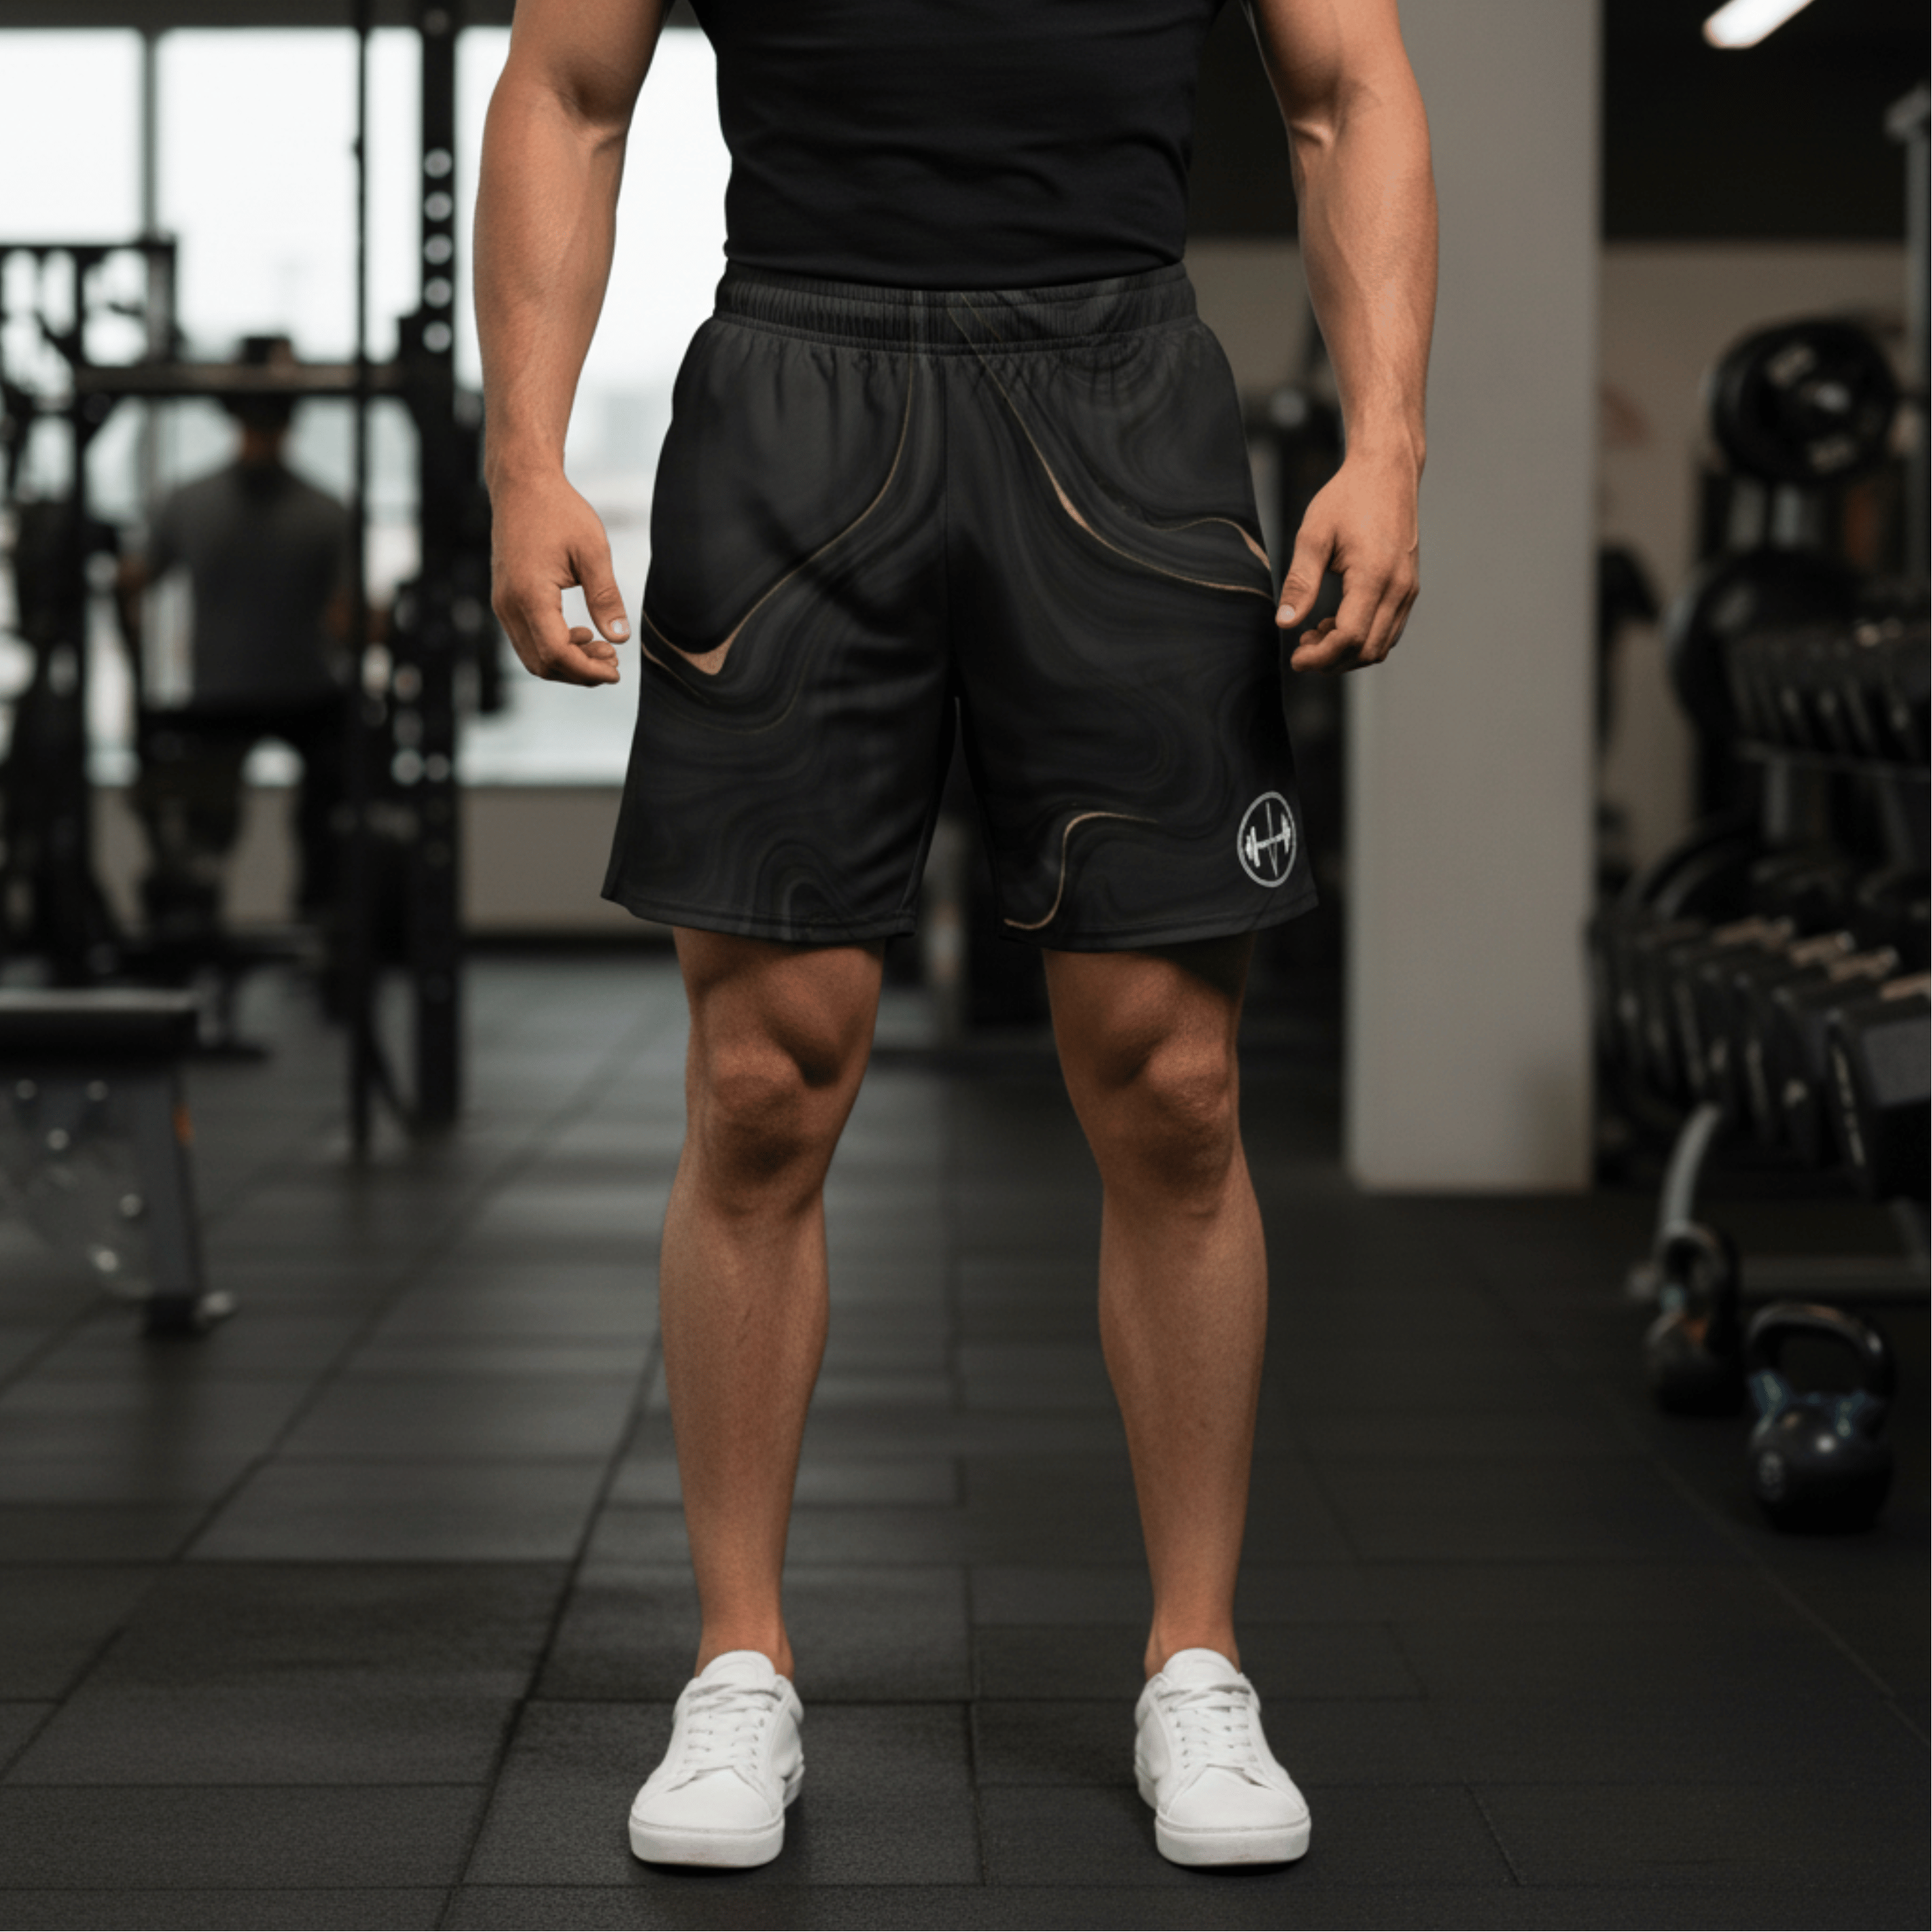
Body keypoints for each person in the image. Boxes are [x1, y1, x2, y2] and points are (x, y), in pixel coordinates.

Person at [475, 0, 1435, 1872]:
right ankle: (737, 1662)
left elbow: (1344, 87)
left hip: (1115, 384)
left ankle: (1195, 1661)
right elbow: (568, 89)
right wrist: (524, 457)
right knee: (760, 1077)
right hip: (791, 392)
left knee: (1171, 1077)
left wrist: (1386, 436)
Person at [118, 337, 352, 936]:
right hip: (221, 697)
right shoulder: (191, 503)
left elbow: (346, 619)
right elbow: (133, 586)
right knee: (203, 829)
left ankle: (321, 921)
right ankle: (198, 923)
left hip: (304, 695)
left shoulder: (325, 512)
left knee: (335, 811)